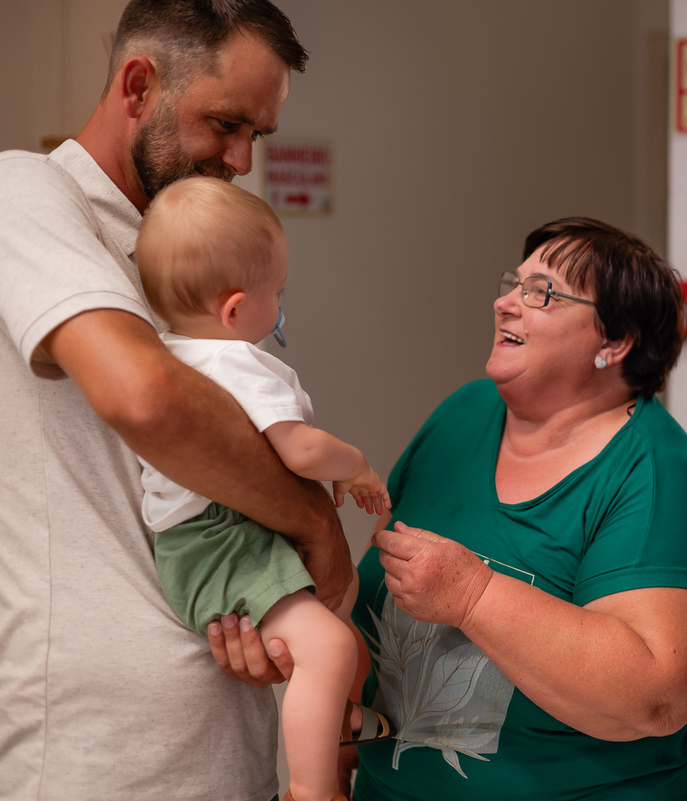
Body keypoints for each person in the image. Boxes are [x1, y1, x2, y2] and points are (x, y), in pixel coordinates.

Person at [217, 217, 687, 798]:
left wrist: (475, 595)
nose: (505, 303)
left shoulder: (659, 476)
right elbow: (382, 597)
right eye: (512, 284)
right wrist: (327, 701)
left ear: (615, 343)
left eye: (542, 293)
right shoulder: (464, 413)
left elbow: (658, 696)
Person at [0, 2, 355, 800]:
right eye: (225, 123)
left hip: (228, 747)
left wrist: (271, 604)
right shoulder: (25, 192)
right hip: (99, 764)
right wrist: (314, 521)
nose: (242, 159)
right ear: (138, 86)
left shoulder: (191, 241)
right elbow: (146, 398)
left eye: (257, 133)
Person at [135, 176, 392, 801]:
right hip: (220, 542)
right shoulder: (235, 362)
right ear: (233, 310)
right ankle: (312, 788)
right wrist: (355, 463)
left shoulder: (168, 353)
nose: (280, 303)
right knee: (330, 647)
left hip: (202, 543)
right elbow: (301, 451)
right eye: (277, 292)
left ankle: (340, 718)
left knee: (341, 610)